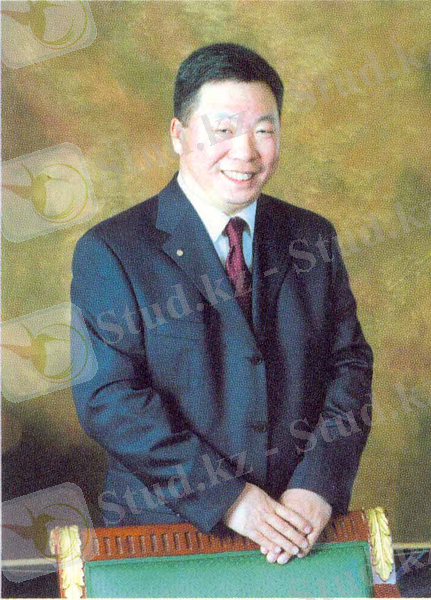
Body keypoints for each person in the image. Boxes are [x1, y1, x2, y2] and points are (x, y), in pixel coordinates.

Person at [71, 43, 373, 565]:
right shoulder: (112, 250)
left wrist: (317, 485)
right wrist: (230, 499)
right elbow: (110, 401)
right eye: (224, 130)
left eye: (264, 130)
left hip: (299, 528)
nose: (245, 152)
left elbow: (349, 367)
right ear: (178, 134)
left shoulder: (311, 236)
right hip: (169, 538)